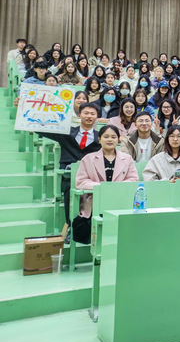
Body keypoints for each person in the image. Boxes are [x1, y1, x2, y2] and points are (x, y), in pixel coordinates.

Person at [38, 102, 102, 235]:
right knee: (69, 190)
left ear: (97, 117)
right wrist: (21, 109)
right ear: (79, 115)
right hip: (69, 174)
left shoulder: (100, 137)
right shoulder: (67, 132)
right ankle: (71, 228)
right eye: (86, 113)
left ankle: (91, 229)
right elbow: (42, 128)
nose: (89, 116)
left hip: (92, 176)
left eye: (92, 114)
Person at [73, 125, 139, 243]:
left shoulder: (127, 158)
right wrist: (102, 188)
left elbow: (133, 179)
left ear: (118, 139)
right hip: (95, 200)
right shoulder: (88, 159)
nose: (110, 140)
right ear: (99, 139)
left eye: (113, 137)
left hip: (120, 199)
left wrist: (115, 188)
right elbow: (81, 181)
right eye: (106, 136)